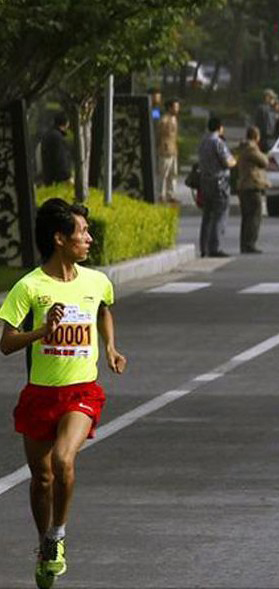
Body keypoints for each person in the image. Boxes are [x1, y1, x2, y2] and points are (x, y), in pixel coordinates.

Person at [0, 198, 127, 589]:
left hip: (81, 392)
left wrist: (109, 347)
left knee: (63, 459)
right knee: (41, 478)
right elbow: (5, 343)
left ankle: (58, 533)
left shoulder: (96, 280)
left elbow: (104, 308)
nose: (89, 238)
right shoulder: (29, 287)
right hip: (41, 394)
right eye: (82, 232)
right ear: (60, 238)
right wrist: (42, 332)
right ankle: (44, 545)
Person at [197, 116, 237, 258]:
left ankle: (204, 247)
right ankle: (215, 247)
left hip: (205, 182)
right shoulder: (218, 142)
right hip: (219, 182)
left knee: (207, 216)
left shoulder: (203, 142)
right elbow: (227, 162)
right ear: (220, 127)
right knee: (220, 215)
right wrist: (234, 161)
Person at [235, 126, 269, 254]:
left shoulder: (243, 147)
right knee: (254, 216)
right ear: (256, 137)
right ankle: (250, 244)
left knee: (246, 217)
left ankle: (245, 244)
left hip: (244, 186)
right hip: (251, 185)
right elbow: (264, 161)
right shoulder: (251, 148)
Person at [156, 98, 181, 204]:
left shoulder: (174, 119)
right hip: (165, 150)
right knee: (163, 173)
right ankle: (161, 195)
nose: (177, 109)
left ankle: (171, 195)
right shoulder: (164, 120)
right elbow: (158, 134)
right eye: (175, 107)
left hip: (173, 150)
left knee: (173, 173)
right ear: (170, 108)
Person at [40, 113, 72, 186]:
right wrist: (66, 176)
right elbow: (61, 158)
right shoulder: (58, 138)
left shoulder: (48, 135)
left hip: (48, 178)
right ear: (66, 123)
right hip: (58, 180)